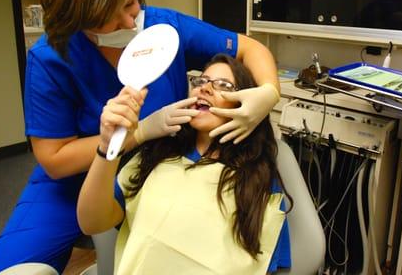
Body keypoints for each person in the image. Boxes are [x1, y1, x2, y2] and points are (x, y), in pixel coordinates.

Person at [0, 0, 281, 274]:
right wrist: (134, 134)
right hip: (74, 182)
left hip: (159, 167)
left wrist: (268, 93)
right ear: (77, 23)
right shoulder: (51, 59)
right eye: (110, 17)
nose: (129, 22)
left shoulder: (164, 28)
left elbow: (250, 49)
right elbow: (55, 159)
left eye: (130, 3)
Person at [77, 54, 291, 274]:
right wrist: (108, 146)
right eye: (200, 81)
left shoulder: (257, 179)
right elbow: (91, 222)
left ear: (246, 106)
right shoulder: (155, 157)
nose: (205, 88)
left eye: (224, 85)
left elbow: (266, 265)